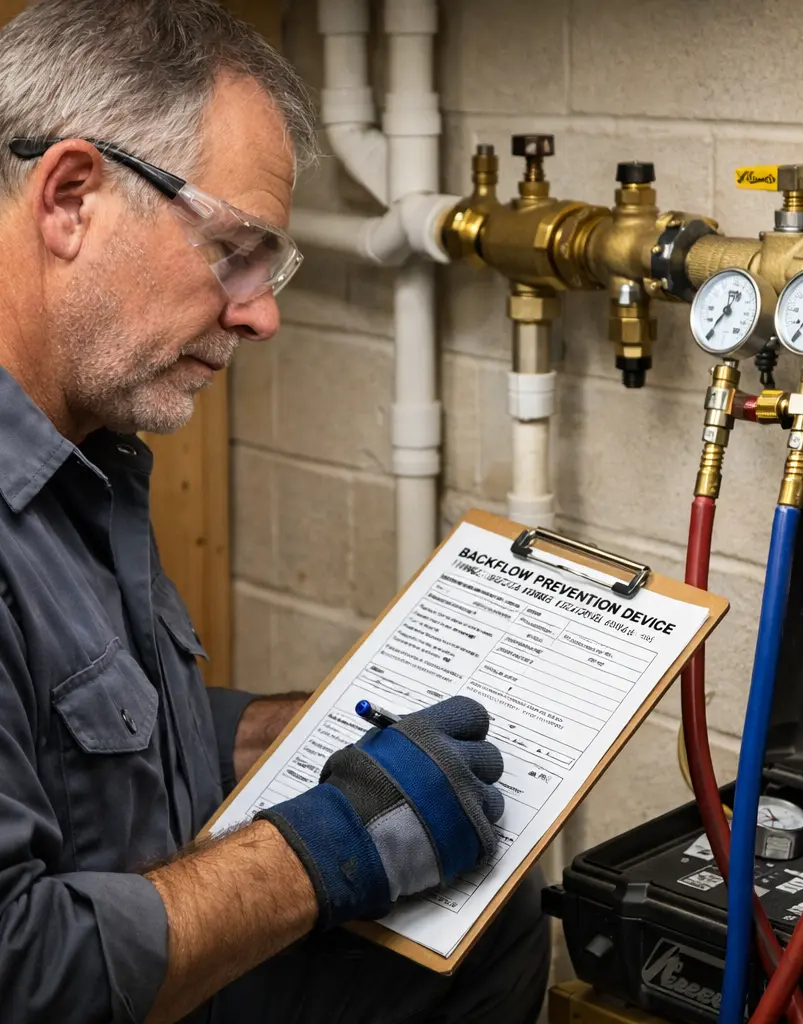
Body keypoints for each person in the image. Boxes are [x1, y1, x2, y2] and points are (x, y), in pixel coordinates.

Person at [0, 1, 550, 1022]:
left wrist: (292, 734)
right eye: (234, 249)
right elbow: (22, 971)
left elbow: (79, 750)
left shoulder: (86, 453)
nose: (260, 312)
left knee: (485, 915)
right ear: (70, 196)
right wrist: (329, 845)